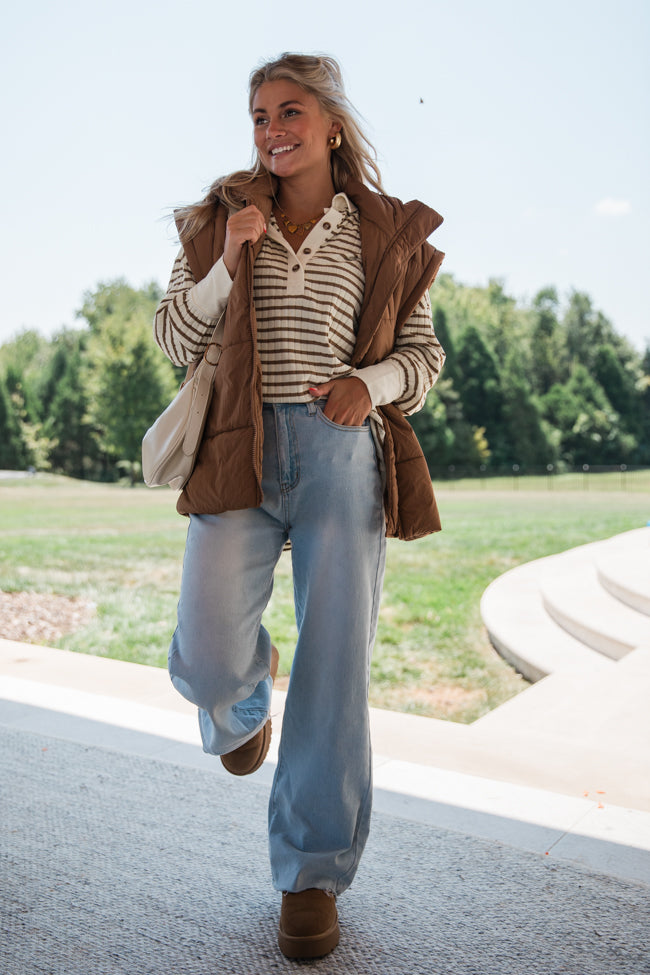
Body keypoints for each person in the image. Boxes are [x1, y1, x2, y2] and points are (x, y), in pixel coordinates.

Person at [153, 52, 445, 960]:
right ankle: (239, 707)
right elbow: (173, 336)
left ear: (331, 126)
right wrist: (227, 261)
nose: (272, 130)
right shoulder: (218, 219)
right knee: (204, 655)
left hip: (337, 450)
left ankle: (310, 873)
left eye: (289, 112)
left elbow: (424, 358)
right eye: (257, 116)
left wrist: (370, 380)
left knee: (333, 669)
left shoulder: (383, 231)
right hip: (238, 441)